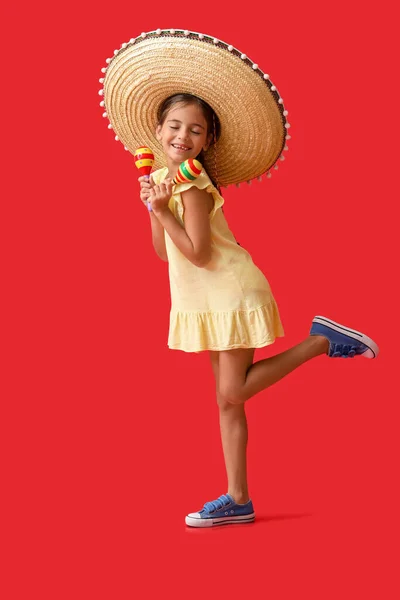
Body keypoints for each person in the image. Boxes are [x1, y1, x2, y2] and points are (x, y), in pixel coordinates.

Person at [100, 30, 379, 528]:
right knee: (225, 402)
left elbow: (201, 254)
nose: (182, 137)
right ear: (158, 129)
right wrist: (152, 206)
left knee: (232, 394)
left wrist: (164, 210)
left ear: (209, 141)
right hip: (205, 299)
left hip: (229, 288)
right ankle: (238, 499)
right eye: (174, 126)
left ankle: (321, 342)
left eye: (195, 131)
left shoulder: (195, 185)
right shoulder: (168, 183)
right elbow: (163, 255)